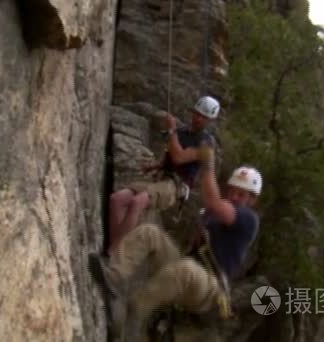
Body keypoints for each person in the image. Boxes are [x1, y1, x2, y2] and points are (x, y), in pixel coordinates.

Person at [91, 142, 261, 340]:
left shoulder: (249, 219)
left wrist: (207, 164)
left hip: (210, 288)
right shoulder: (214, 214)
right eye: (232, 191)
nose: (233, 196)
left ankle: (133, 314)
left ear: (252, 200)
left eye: (240, 194)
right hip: (187, 268)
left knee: (186, 270)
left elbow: (213, 201)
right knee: (150, 234)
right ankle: (114, 277)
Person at [108, 96, 220, 254]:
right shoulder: (182, 132)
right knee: (117, 199)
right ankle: (114, 249)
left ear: (210, 121)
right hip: (161, 178)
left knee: (137, 202)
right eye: (197, 114)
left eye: (203, 117)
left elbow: (179, 157)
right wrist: (155, 165)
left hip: (176, 185)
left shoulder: (206, 144)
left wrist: (172, 130)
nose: (198, 118)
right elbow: (170, 156)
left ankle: (115, 253)